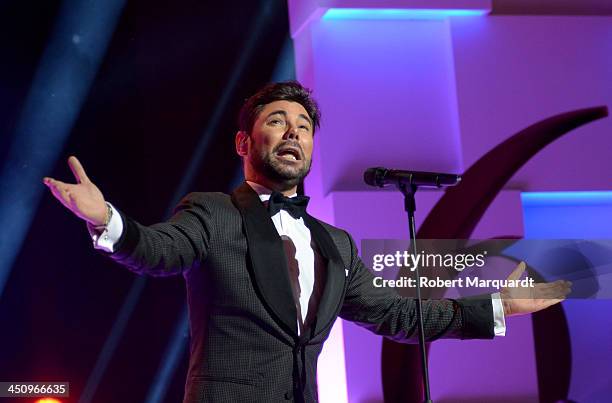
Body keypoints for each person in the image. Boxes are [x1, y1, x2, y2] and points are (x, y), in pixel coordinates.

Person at [43, 81, 571, 403]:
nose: (293, 132)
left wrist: (497, 307)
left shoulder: (336, 244)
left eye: (304, 126)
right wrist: (108, 219)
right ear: (245, 142)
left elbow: (399, 317)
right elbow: (158, 252)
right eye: (277, 121)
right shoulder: (214, 212)